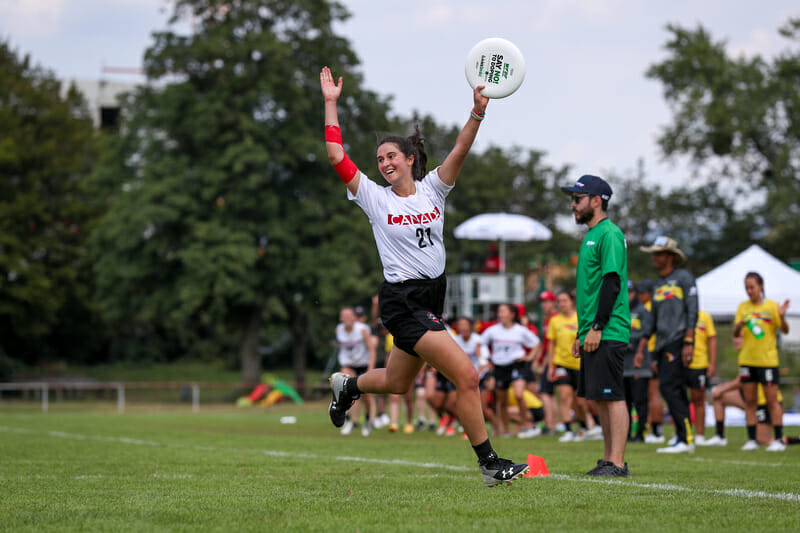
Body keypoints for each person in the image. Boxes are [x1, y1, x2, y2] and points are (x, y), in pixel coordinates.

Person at [320, 66, 528, 486]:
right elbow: (337, 156)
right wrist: (330, 103)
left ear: (410, 159)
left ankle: (349, 387)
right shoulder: (375, 199)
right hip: (404, 301)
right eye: (379, 160)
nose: (383, 164)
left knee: (397, 383)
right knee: (468, 377)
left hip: (432, 297)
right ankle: (489, 464)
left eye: (391, 156)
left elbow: (461, 150)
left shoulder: (434, 188)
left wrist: (477, 113)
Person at [561, 174, 631, 477]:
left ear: (596, 201)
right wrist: (582, 332)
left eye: (578, 199)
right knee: (601, 396)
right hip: (593, 330)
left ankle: (617, 462)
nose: (574, 205)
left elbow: (612, 282)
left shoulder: (609, 234)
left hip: (609, 329)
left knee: (612, 395)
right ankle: (607, 459)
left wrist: (598, 326)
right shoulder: (592, 235)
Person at [636, 236, 697, 454]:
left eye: (659, 254)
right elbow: (652, 320)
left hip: (678, 340)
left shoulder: (684, 278)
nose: (655, 258)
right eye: (654, 254)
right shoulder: (658, 284)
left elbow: (692, 309)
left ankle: (686, 438)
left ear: (670, 257)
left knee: (670, 387)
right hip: (660, 344)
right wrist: (643, 347)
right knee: (672, 387)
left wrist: (689, 340)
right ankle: (684, 436)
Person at [732, 271, 790, 451]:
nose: (749, 291)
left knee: (772, 401)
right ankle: (752, 440)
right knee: (750, 402)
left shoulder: (772, 306)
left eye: (752, 287)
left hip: (767, 362)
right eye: (746, 288)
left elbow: (785, 331)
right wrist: (739, 325)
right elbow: (735, 334)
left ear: (761, 287)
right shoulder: (743, 307)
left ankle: (779, 439)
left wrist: (781, 316)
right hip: (747, 361)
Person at [547, 290, 601, 443]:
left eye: (564, 300)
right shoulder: (554, 320)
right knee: (564, 398)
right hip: (561, 363)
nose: (562, 304)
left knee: (581, 401)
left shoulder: (580, 318)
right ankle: (569, 430)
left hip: (579, 364)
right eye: (559, 301)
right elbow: (552, 345)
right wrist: (551, 366)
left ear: (572, 302)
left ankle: (589, 425)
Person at [481, 303, 541, 438]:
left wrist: (530, 357)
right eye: (499, 312)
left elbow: (536, 342)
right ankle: (507, 430)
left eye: (503, 311)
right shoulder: (493, 330)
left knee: (519, 395)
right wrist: (485, 360)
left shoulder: (520, 330)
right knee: (502, 401)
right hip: (500, 367)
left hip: (516, 365)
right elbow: (481, 342)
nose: (500, 314)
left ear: (512, 315)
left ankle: (525, 425)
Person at [701, 375, 789, 448]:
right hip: (748, 396)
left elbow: (742, 380)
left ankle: (791, 439)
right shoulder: (744, 356)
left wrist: (722, 388)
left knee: (762, 440)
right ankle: (720, 436)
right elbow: (742, 378)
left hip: (764, 402)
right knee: (719, 397)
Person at [334, 307, 377, 436]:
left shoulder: (362, 329)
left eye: (349, 316)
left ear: (353, 317)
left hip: (363, 365)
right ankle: (348, 421)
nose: (346, 319)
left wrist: (371, 368)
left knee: (366, 396)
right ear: (341, 318)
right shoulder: (339, 329)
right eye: (344, 316)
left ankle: (368, 420)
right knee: (345, 389)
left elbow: (372, 349)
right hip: (348, 364)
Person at [634, 280, 664, 443]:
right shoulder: (654, 308)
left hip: (651, 353)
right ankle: (654, 430)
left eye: (641, 293)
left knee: (653, 393)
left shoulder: (648, 310)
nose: (639, 296)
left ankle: (656, 431)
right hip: (651, 353)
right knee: (651, 394)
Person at [625, 280, 652, 443]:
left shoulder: (642, 311)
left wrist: (637, 349)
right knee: (624, 402)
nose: (627, 296)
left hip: (638, 364)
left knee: (640, 400)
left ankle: (641, 433)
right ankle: (625, 434)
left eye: (630, 292)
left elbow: (646, 332)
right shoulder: (618, 311)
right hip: (623, 365)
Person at [688, 309, 716, 443]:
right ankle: (682, 433)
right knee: (679, 400)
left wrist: (712, 363)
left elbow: (712, 340)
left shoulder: (705, 317)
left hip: (699, 364)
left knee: (698, 399)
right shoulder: (680, 314)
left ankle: (700, 435)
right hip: (681, 364)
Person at [535, 290, 560, 434]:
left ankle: (550, 425)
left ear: (553, 302)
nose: (544, 305)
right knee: (549, 393)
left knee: (545, 392)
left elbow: (552, 344)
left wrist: (544, 364)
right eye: (543, 302)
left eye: (547, 301)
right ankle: (553, 424)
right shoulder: (548, 319)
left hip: (553, 360)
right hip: (549, 359)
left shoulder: (555, 318)